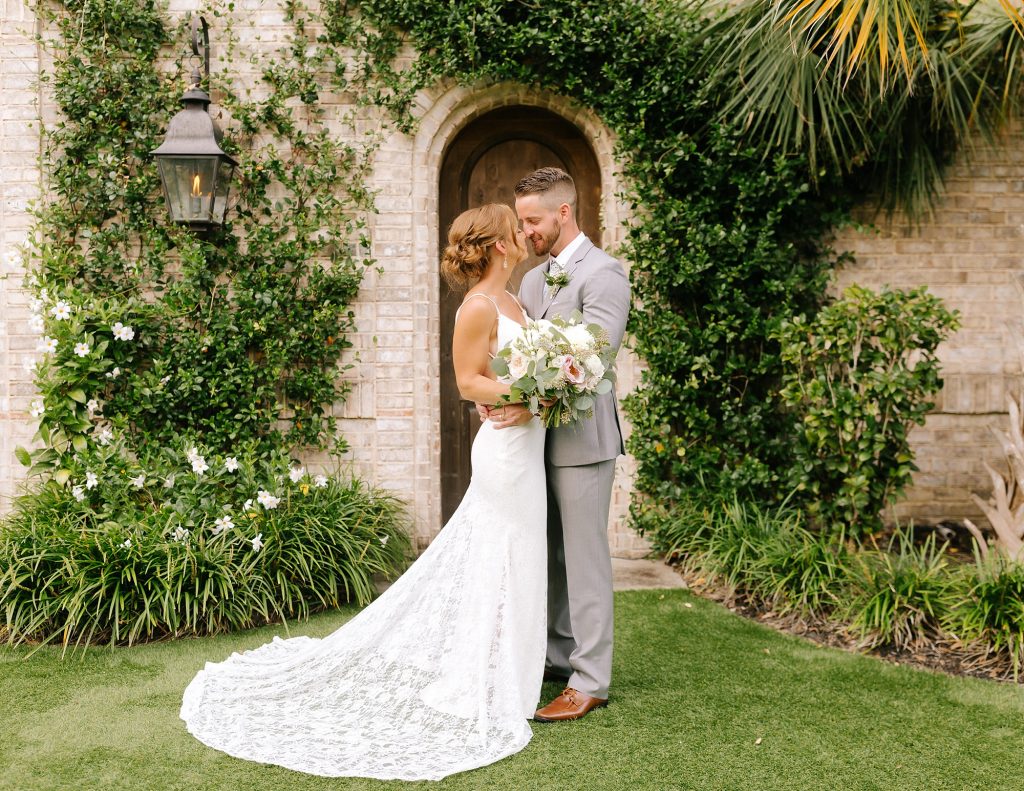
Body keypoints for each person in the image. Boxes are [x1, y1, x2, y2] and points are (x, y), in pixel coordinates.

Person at [180, 204, 547, 781]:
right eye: (514, 230)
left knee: (518, 557)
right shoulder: (478, 306)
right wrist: (523, 393)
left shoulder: (515, 300)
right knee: (501, 552)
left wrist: (542, 393)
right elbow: (467, 379)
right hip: (506, 451)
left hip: (529, 447)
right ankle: (486, 677)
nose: (523, 237)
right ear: (500, 244)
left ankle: (507, 670)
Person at [486, 167, 630, 722]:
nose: (526, 232)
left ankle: (590, 679)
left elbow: (594, 360)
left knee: (584, 558)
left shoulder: (605, 274)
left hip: (583, 440)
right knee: (544, 551)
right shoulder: (531, 280)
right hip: (532, 440)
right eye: (521, 221)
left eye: (533, 221)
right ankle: (556, 655)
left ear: (564, 213)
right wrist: (501, 394)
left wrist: (529, 401)